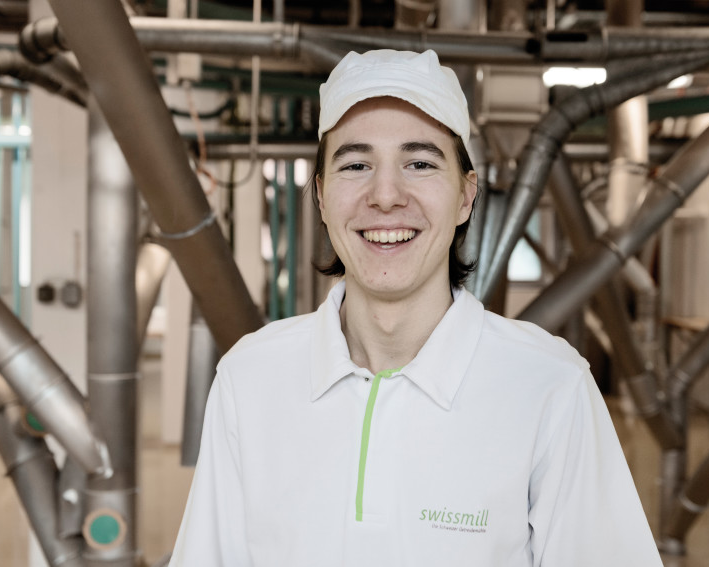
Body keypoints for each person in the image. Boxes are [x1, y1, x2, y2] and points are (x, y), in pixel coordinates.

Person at [170, 49, 662, 567]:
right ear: (320, 197)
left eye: (420, 164)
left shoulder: (551, 387)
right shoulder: (250, 379)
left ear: (466, 196)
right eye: (356, 165)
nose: (386, 196)